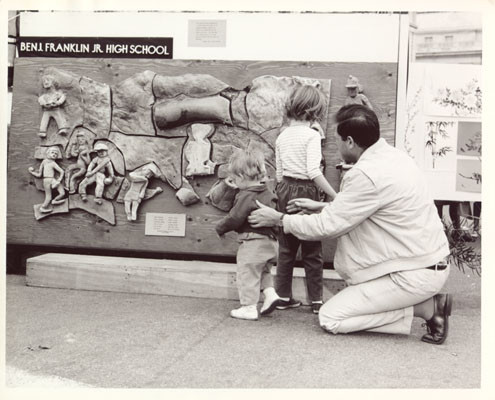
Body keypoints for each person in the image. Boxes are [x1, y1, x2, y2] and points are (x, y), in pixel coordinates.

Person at [249, 104, 453, 345]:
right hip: (427, 263)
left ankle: (427, 309)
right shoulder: (394, 157)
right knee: (349, 305)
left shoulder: (365, 174)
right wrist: (324, 206)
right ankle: (424, 304)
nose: (334, 147)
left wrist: (280, 219)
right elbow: (376, 210)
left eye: (335, 141)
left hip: (413, 274)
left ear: (349, 142)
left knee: (331, 318)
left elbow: (327, 227)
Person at [274, 84, 338, 314]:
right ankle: (316, 300)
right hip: (307, 191)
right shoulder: (311, 136)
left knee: (286, 249)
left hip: (285, 189)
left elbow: (279, 174)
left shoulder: (282, 136)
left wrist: (282, 193)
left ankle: (282, 296)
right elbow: (313, 171)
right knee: (312, 249)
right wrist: (334, 195)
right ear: (314, 109)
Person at [215, 150, 282, 321]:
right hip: (271, 243)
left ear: (242, 176)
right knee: (263, 271)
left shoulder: (246, 195)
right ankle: (270, 294)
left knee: (247, 273)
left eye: (235, 180)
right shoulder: (268, 192)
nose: (235, 184)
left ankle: (249, 307)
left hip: (253, 243)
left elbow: (235, 217)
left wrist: (221, 227)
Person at [28, 146, 66, 213]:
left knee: (62, 193)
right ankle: (43, 208)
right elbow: (39, 174)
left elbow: (62, 171)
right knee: (48, 197)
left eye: (56, 154)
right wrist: (32, 172)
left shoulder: (53, 163)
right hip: (46, 181)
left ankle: (55, 200)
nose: (54, 154)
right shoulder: (44, 162)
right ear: (48, 153)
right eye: (52, 152)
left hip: (53, 180)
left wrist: (58, 180)